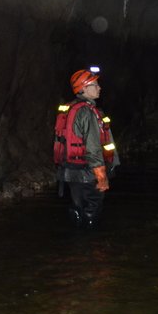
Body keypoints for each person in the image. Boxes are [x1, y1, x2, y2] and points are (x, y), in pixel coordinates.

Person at [54, 67, 118, 227]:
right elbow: (93, 146)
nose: (99, 87)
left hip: (70, 169)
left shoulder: (70, 108)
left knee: (77, 207)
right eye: (95, 85)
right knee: (92, 209)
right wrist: (101, 175)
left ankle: (76, 245)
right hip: (87, 171)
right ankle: (89, 247)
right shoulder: (87, 112)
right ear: (83, 88)